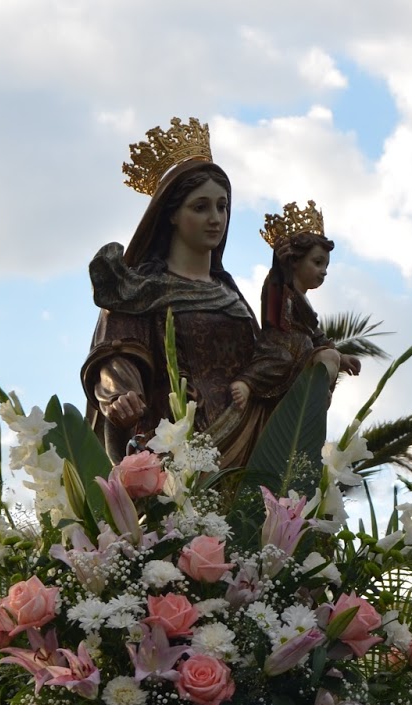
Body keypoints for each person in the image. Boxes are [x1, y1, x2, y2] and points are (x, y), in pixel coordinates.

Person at [82, 117, 258, 461]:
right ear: (171, 214)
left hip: (246, 446)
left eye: (222, 206)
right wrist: (121, 395)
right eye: (200, 207)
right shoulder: (140, 292)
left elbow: (265, 363)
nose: (216, 218)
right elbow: (116, 358)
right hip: (173, 446)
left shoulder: (231, 296)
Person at [209, 201, 361, 467]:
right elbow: (276, 297)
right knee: (278, 360)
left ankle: (312, 405)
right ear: (295, 261)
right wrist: (278, 264)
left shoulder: (307, 304)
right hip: (279, 346)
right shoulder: (281, 286)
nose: (323, 271)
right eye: (317, 262)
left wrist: (341, 355)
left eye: (326, 265)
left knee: (329, 357)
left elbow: (316, 336)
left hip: (302, 355)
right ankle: (248, 382)